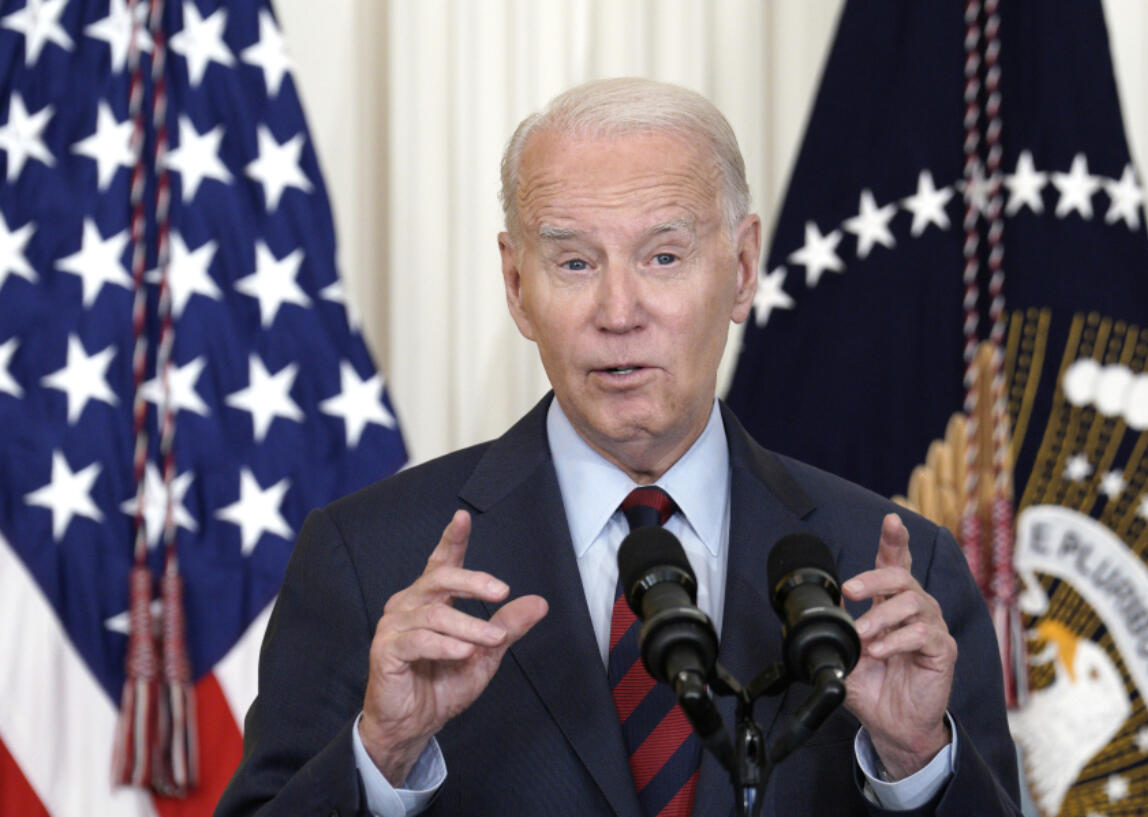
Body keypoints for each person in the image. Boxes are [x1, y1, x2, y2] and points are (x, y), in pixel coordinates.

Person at [215, 78, 1021, 817]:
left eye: (663, 257)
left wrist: (915, 759)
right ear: (517, 284)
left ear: (742, 268)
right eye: (573, 262)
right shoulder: (371, 561)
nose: (618, 310)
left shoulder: (896, 576)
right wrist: (380, 754)